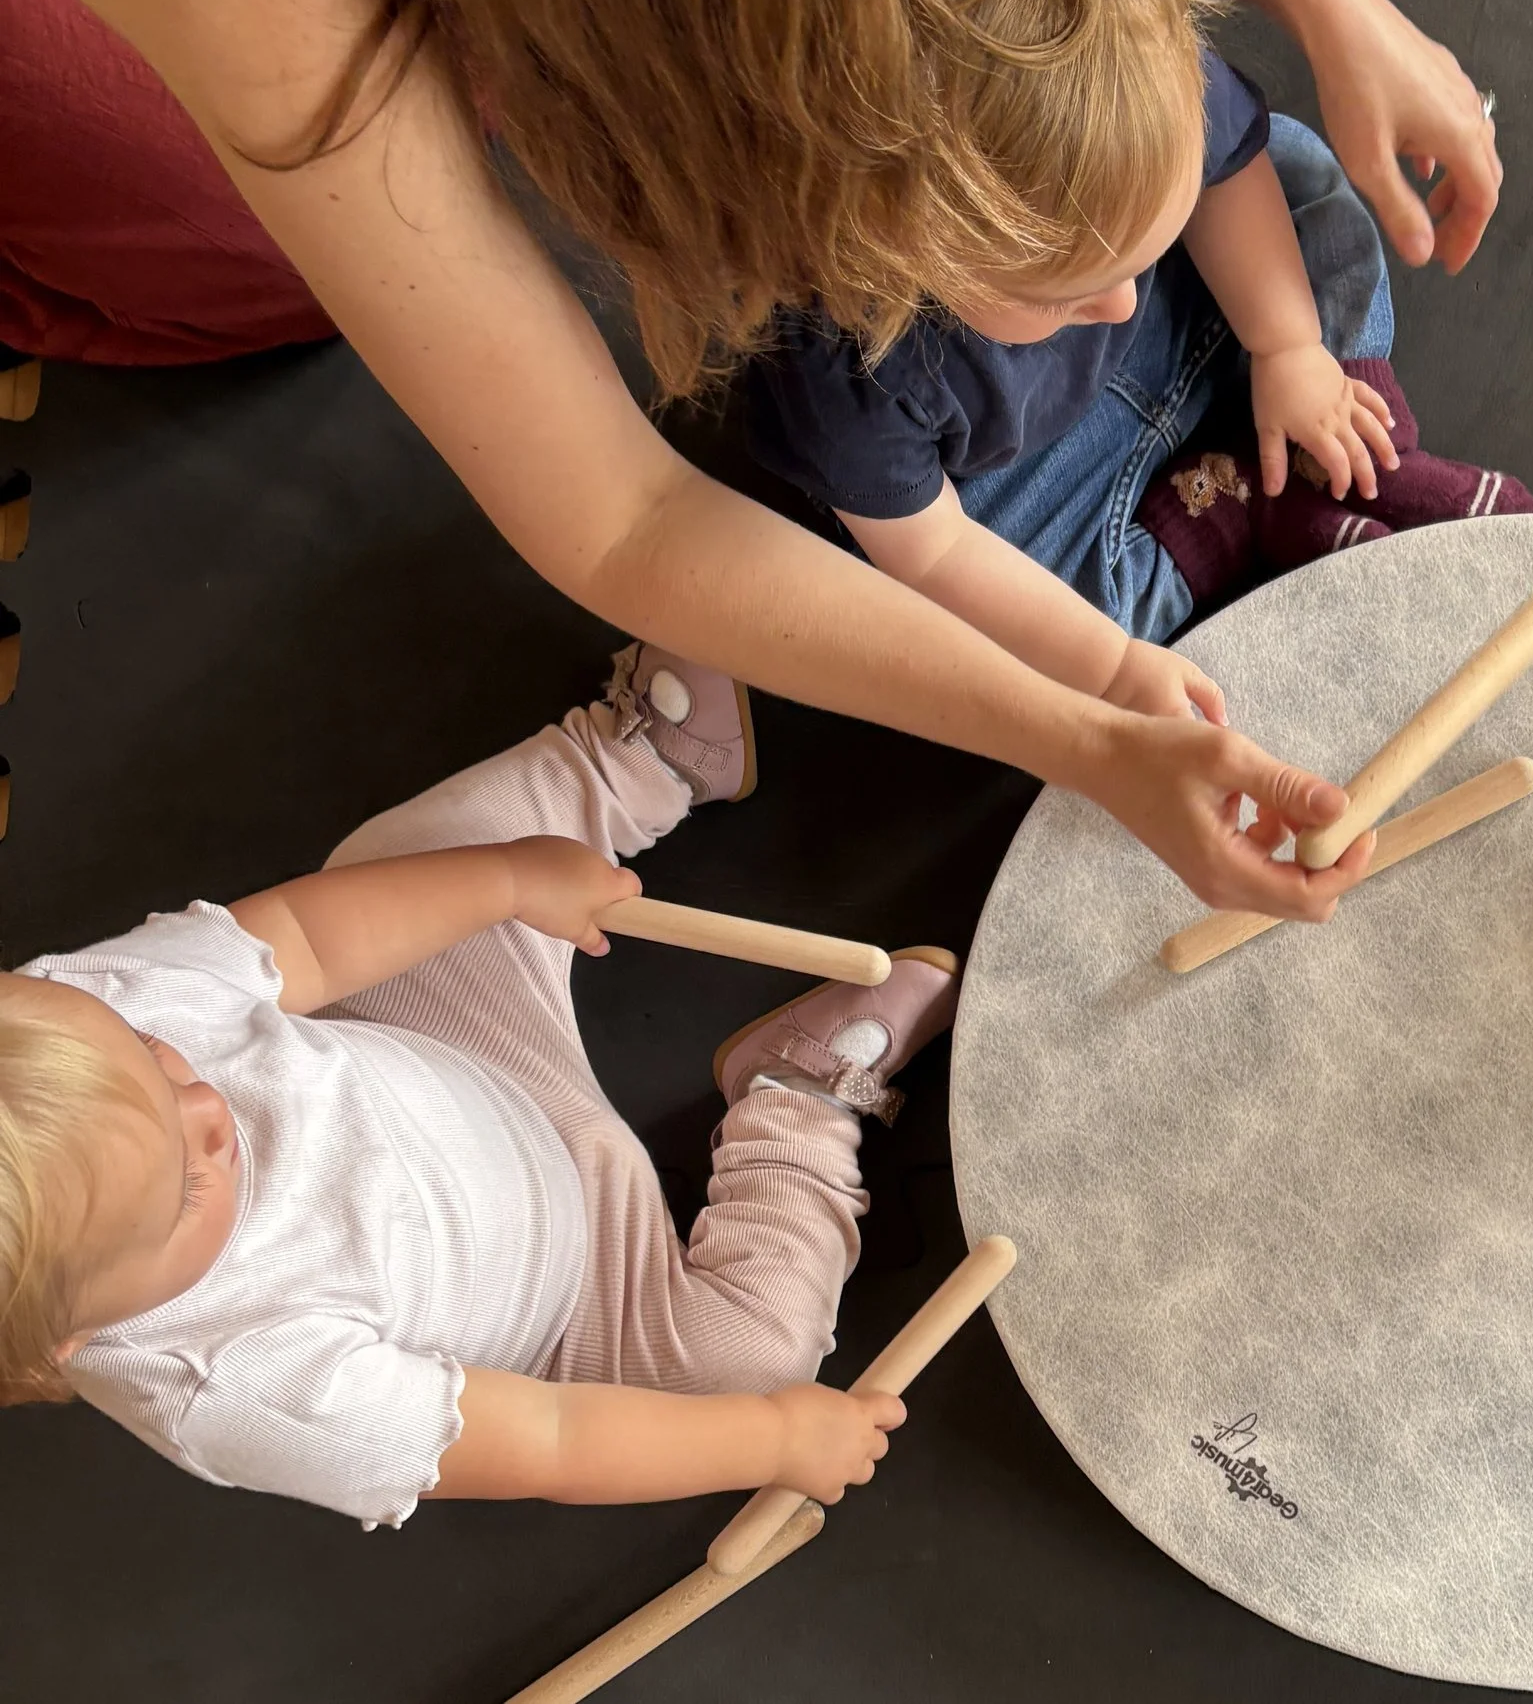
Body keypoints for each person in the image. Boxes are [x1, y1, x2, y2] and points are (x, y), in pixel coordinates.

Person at [0, 0, 1506, 918]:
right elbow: (627, 511)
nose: (1114, 305)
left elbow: (1116, 36)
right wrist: (1085, 722)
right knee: (218, 269)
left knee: (1271, 185)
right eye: (1059, 284)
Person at [0, 641, 959, 1525]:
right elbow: (551, 1438)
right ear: (72, 1341)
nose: (211, 1108)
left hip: (434, 1037)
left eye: (157, 1061)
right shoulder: (232, 1385)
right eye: (185, 1188)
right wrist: (778, 1439)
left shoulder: (75, 1013)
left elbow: (300, 936)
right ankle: (800, 1097)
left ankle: (637, 762)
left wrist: (505, 881)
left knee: (403, 866)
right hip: (574, 1293)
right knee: (749, 1365)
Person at [746, 0, 1533, 698]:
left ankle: (1345, 429)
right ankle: (1235, 507)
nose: (1120, 305)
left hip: (1201, 300)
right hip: (1032, 472)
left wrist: (1288, 344)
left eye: (1128, 262)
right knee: (1036, 639)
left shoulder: (1122, 68)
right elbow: (937, 553)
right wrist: (1116, 670)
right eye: (1068, 295)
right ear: (900, 259)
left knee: (1304, 188)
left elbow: (1224, 174)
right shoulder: (842, 381)